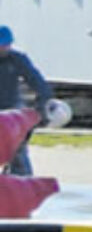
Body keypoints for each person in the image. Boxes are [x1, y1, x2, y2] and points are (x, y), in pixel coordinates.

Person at [0, 26, 54, 177]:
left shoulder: (17, 59)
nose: (3, 48)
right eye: (1, 45)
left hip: (11, 109)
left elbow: (36, 81)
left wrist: (43, 101)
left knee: (17, 148)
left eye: (6, 45)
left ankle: (22, 179)